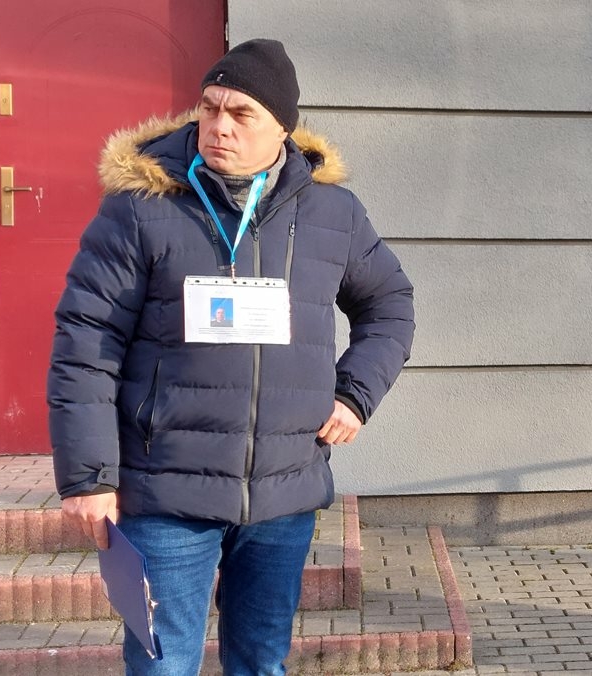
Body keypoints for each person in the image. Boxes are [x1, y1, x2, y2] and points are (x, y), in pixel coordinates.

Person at [47, 38, 415, 675]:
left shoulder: (332, 212)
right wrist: (89, 477)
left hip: (283, 489)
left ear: (282, 127)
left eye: (242, 113)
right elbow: (85, 344)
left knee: (261, 663)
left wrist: (355, 395)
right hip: (166, 490)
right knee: (163, 665)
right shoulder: (142, 209)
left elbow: (389, 306)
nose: (219, 126)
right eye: (210, 107)